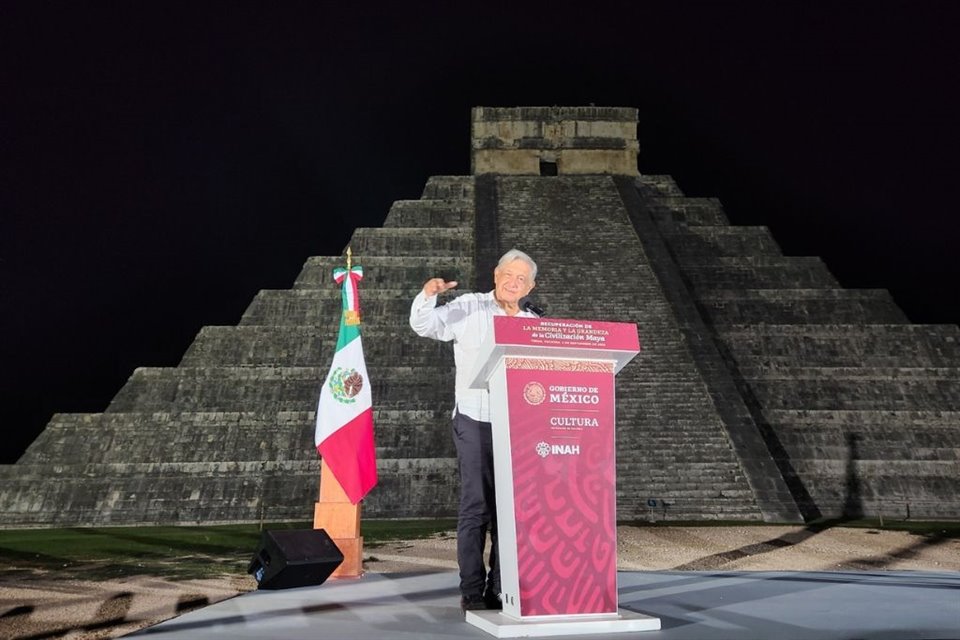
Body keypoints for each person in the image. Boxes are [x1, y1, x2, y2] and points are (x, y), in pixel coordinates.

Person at [409, 248, 539, 612]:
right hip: (475, 419)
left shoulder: (533, 321)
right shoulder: (469, 307)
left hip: (518, 424)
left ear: (531, 286)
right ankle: (471, 588)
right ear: (496, 274)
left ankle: (500, 586)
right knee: (476, 506)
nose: (514, 283)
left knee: (508, 511)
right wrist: (428, 295)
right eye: (509, 275)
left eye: (522, 279)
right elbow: (425, 326)